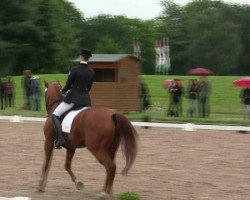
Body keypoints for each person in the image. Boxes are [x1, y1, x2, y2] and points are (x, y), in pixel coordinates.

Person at [52, 49, 94, 149]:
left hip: (73, 99)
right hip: (86, 100)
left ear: (81, 57)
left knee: (55, 114)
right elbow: (89, 87)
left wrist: (62, 92)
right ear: (88, 58)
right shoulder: (91, 71)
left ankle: (60, 138)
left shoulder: (75, 69)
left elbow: (68, 85)